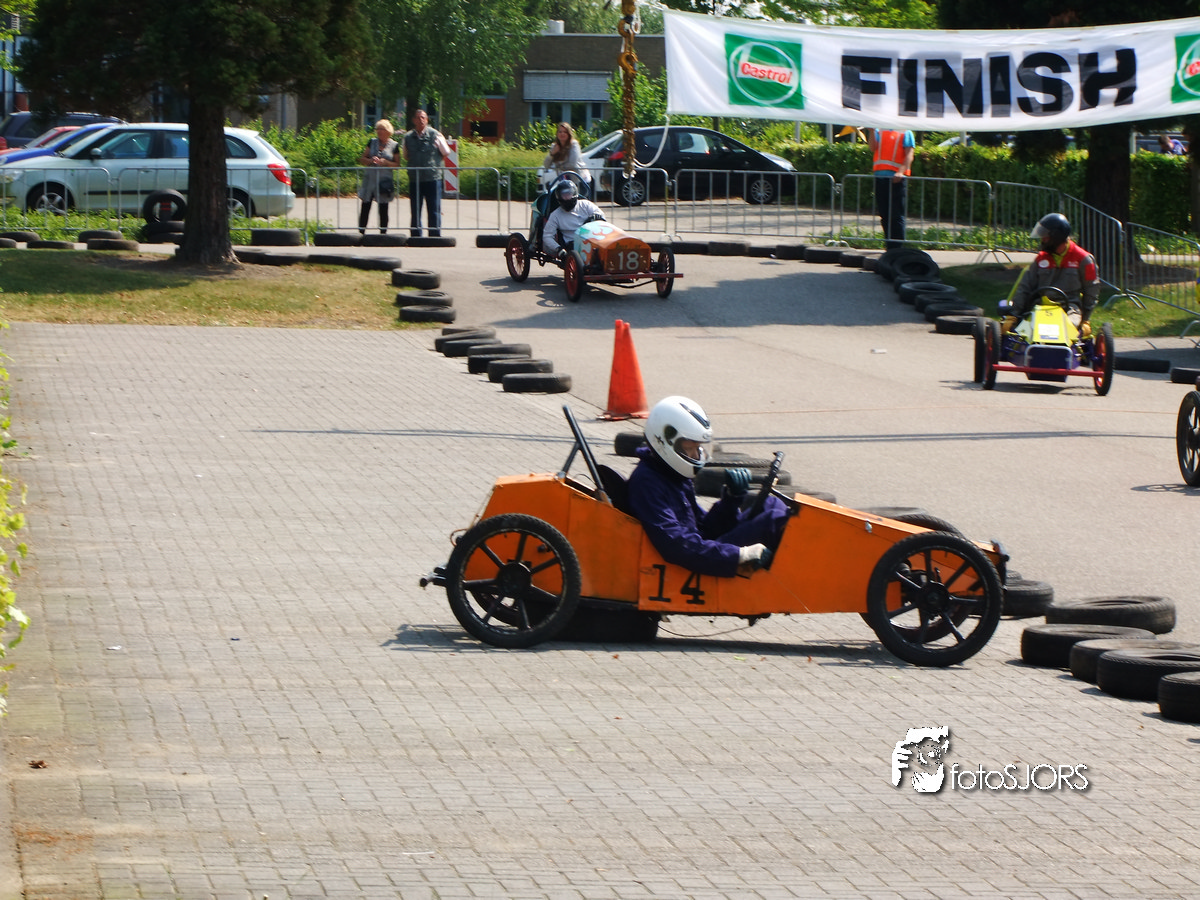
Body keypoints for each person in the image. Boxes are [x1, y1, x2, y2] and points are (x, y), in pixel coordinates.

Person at [627, 396, 790, 578]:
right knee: (773, 521)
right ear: (664, 443)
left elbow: (703, 527)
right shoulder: (647, 483)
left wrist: (731, 499)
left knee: (772, 504)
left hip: (699, 549)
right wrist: (740, 555)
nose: (696, 455)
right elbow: (674, 544)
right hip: (688, 565)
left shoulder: (671, 475)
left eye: (697, 448)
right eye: (689, 448)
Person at [1003, 212, 1100, 336]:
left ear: (1056, 236)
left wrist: (1085, 319)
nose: (1042, 240)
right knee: (1024, 330)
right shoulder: (1040, 259)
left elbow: (1091, 290)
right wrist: (1014, 314)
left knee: (1070, 328)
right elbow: (1025, 287)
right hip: (1039, 305)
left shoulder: (1084, 259)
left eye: (1045, 237)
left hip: (1069, 307)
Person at [402, 109, 453, 237]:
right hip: (415, 178)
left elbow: (446, 152)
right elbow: (406, 156)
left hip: (432, 178)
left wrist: (434, 164)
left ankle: (434, 236)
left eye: (423, 117)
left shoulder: (436, 135)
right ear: (413, 120)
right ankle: (416, 236)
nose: (421, 120)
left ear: (427, 120)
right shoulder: (407, 137)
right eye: (418, 117)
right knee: (415, 210)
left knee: (434, 209)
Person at [867, 128, 915, 249]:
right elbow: (872, 148)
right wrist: (871, 131)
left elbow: (909, 155)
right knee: (884, 214)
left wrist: (900, 172)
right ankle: (890, 247)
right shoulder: (879, 130)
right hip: (880, 178)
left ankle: (897, 248)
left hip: (896, 179)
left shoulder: (905, 132)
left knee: (896, 215)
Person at [357, 119, 399, 234]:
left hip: (384, 181)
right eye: (378, 129)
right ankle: (361, 232)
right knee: (365, 206)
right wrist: (370, 160)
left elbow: (397, 165)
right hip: (370, 179)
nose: (379, 131)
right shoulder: (372, 142)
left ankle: (383, 234)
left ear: (388, 131)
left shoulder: (394, 145)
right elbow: (362, 159)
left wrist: (386, 162)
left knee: (383, 208)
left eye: (382, 129)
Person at [542, 180, 605, 257]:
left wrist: (596, 216)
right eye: (564, 195)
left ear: (574, 194)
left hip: (592, 238)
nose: (567, 198)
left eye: (569, 194)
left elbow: (601, 215)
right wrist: (558, 249)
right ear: (559, 197)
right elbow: (547, 236)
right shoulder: (555, 215)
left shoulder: (585, 205)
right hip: (573, 245)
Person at [542, 122, 592, 196]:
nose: (562, 134)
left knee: (577, 202)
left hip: (579, 181)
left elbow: (572, 164)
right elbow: (546, 165)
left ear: (569, 134)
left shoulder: (574, 144)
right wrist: (552, 153)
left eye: (565, 132)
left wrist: (558, 167)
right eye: (560, 132)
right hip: (564, 182)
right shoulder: (554, 146)